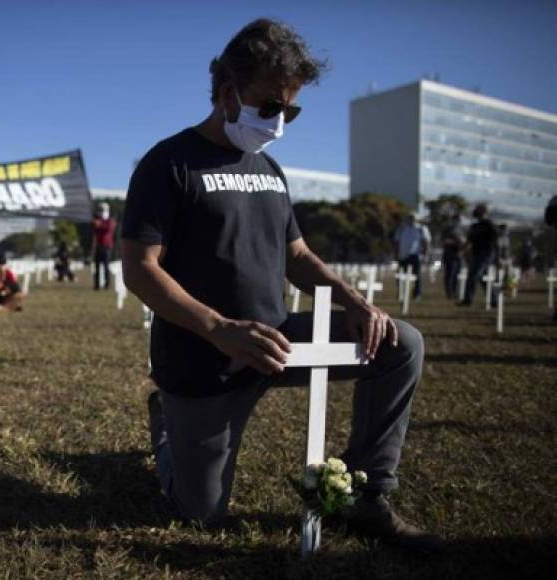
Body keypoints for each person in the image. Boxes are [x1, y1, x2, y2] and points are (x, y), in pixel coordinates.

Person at [121, 18, 440, 553]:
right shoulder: (167, 163)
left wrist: (354, 300)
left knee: (400, 344)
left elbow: (296, 255)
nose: (279, 122)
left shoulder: (270, 168)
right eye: (269, 107)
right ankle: (168, 426)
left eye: (290, 110)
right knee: (199, 515)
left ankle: (369, 495)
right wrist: (220, 328)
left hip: (281, 342)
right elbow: (141, 268)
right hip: (203, 359)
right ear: (227, 93)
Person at [458, 203, 497, 307]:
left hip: (486, 254)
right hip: (476, 254)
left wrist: (497, 257)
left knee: (473, 275)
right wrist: (462, 250)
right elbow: (469, 240)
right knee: (482, 278)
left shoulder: (489, 225)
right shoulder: (474, 226)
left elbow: (495, 241)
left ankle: (468, 300)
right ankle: (494, 300)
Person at [394, 214, 431, 300]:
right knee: (400, 276)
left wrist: (425, 255)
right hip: (402, 255)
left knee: (417, 276)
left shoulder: (421, 229)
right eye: (410, 218)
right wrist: (396, 254)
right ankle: (401, 292)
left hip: (416, 255)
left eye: (413, 218)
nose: (411, 220)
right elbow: (396, 242)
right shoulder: (402, 228)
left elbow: (426, 242)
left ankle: (417, 294)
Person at [91, 202, 116, 290]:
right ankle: (96, 285)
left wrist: (99, 224)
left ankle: (107, 285)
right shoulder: (97, 221)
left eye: (103, 210)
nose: (101, 211)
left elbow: (108, 229)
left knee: (106, 267)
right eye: (100, 210)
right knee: (97, 267)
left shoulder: (110, 221)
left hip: (107, 247)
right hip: (98, 246)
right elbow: (94, 231)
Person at [440, 214, 465, 300]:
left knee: (456, 275)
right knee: (450, 275)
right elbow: (444, 241)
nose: (458, 222)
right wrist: (456, 242)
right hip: (449, 255)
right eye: (457, 219)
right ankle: (450, 293)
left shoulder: (461, 229)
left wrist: (462, 245)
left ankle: (454, 292)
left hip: (458, 255)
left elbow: (464, 241)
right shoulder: (448, 229)